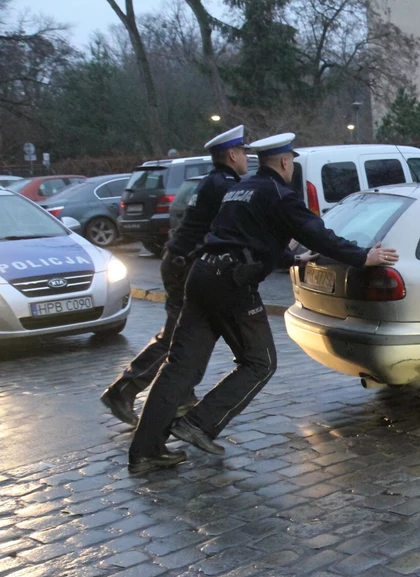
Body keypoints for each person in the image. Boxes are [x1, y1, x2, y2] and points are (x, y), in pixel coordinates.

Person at [126, 132, 398, 474]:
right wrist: (363, 256)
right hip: (232, 284)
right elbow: (318, 233)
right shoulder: (279, 195)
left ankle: (145, 452)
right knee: (260, 362)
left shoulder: (242, 189)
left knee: (180, 367)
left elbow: (243, 235)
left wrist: (291, 259)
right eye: (292, 163)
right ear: (285, 162)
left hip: (202, 276)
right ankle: (198, 424)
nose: (293, 168)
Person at [101, 125, 250, 429]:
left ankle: (182, 395)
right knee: (176, 337)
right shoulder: (223, 185)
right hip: (186, 266)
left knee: (193, 333)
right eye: (244, 152)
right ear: (233, 154)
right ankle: (122, 391)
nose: (247, 157)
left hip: (182, 262)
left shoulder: (214, 181)